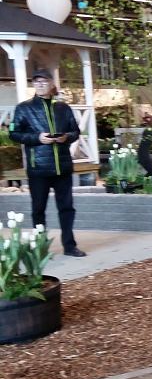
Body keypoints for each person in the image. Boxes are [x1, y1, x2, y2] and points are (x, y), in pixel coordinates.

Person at [9, 69, 86, 257]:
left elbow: (75, 132)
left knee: (66, 208)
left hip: (62, 168)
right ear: (33, 85)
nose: (40, 84)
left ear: (51, 84)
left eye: (44, 81)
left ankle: (69, 246)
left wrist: (66, 137)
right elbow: (14, 134)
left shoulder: (63, 108)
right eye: (37, 82)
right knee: (38, 209)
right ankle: (40, 248)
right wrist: (37, 138)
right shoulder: (23, 108)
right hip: (39, 168)